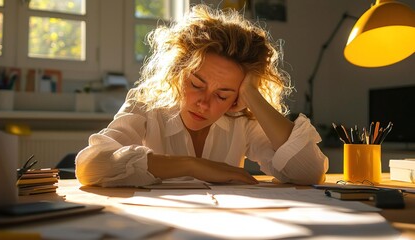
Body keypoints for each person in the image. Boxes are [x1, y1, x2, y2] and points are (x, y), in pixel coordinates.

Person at [75, 4, 329, 187]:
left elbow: (308, 173)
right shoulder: (146, 102)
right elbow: (91, 165)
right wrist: (192, 165)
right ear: (176, 73)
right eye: (196, 84)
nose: (204, 103)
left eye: (223, 95)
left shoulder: (242, 117)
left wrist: (252, 93)